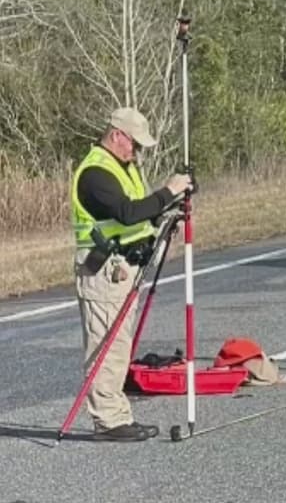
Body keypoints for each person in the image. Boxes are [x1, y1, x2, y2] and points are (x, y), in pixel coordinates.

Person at [70, 107, 191, 441]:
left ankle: (117, 414)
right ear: (117, 134)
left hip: (124, 270)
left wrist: (164, 215)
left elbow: (138, 217)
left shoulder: (126, 169)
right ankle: (109, 421)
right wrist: (168, 190)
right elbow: (125, 213)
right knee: (106, 345)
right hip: (103, 271)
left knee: (118, 345)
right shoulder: (97, 173)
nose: (136, 151)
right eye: (134, 144)